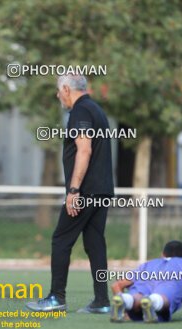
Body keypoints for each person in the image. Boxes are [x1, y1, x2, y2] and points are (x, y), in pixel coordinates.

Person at [27, 74, 114, 313]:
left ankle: (57, 298)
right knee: (95, 243)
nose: (58, 96)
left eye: (58, 91)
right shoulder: (96, 110)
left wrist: (74, 190)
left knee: (61, 239)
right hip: (102, 190)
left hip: (85, 192)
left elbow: (83, 151)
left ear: (66, 89)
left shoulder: (81, 112)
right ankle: (101, 301)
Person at [110, 241, 182, 323]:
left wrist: (126, 314)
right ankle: (152, 301)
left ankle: (126, 300)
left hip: (145, 282)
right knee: (162, 297)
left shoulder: (148, 264)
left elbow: (117, 285)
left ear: (163, 254)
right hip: (170, 284)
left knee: (137, 295)